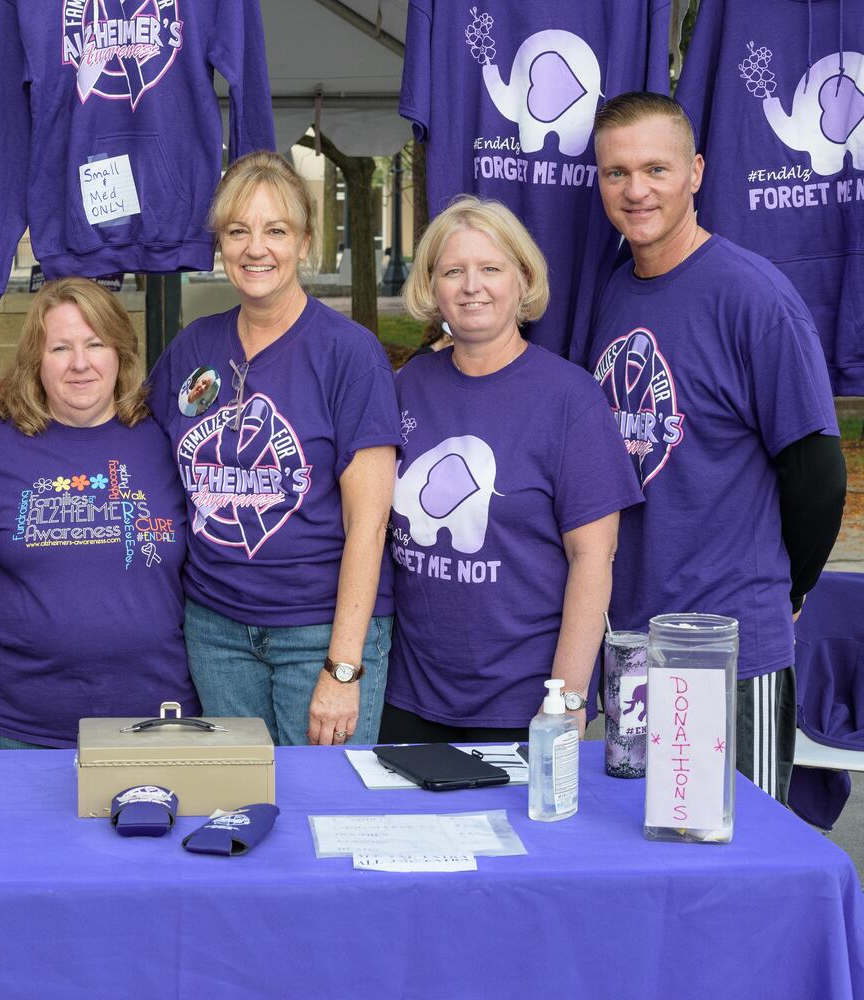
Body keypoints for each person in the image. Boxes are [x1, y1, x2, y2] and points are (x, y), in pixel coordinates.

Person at [587, 92, 846, 803]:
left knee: (744, 863)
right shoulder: (610, 290)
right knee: (644, 860)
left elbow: (818, 472)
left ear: (695, 172)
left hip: (728, 648)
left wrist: (787, 590)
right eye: (615, 173)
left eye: (655, 168)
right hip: (633, 646)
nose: (636, 189)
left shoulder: (754, 298)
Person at [148, 150, 401, 747]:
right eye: (238, 231)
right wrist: (3, 389)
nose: (255, 248)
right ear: (220, 244)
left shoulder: (350, 354)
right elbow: (113, 419)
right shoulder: (193, 348)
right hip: (215, 630)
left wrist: (343, 667)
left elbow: (369, 524)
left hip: (318, 634)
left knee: (324, 811)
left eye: (275, 230)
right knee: (241, 807)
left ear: (305, 242)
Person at [380, 197, 643, 743]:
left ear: (522, 279)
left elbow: (594, 557)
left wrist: (568, 698)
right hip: (405, 694)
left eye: (491, 269)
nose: (472, 286)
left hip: (524, 706)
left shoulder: (570, 399)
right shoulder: (406, 386)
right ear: (433, 286)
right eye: (453, 271)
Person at [0, 278, 198, 748]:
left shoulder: (168, 441)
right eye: (60, 348)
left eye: (96, 344)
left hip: (156, 722)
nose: (80, 363)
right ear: (37, 360)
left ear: (121, 354)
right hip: (19, 726)